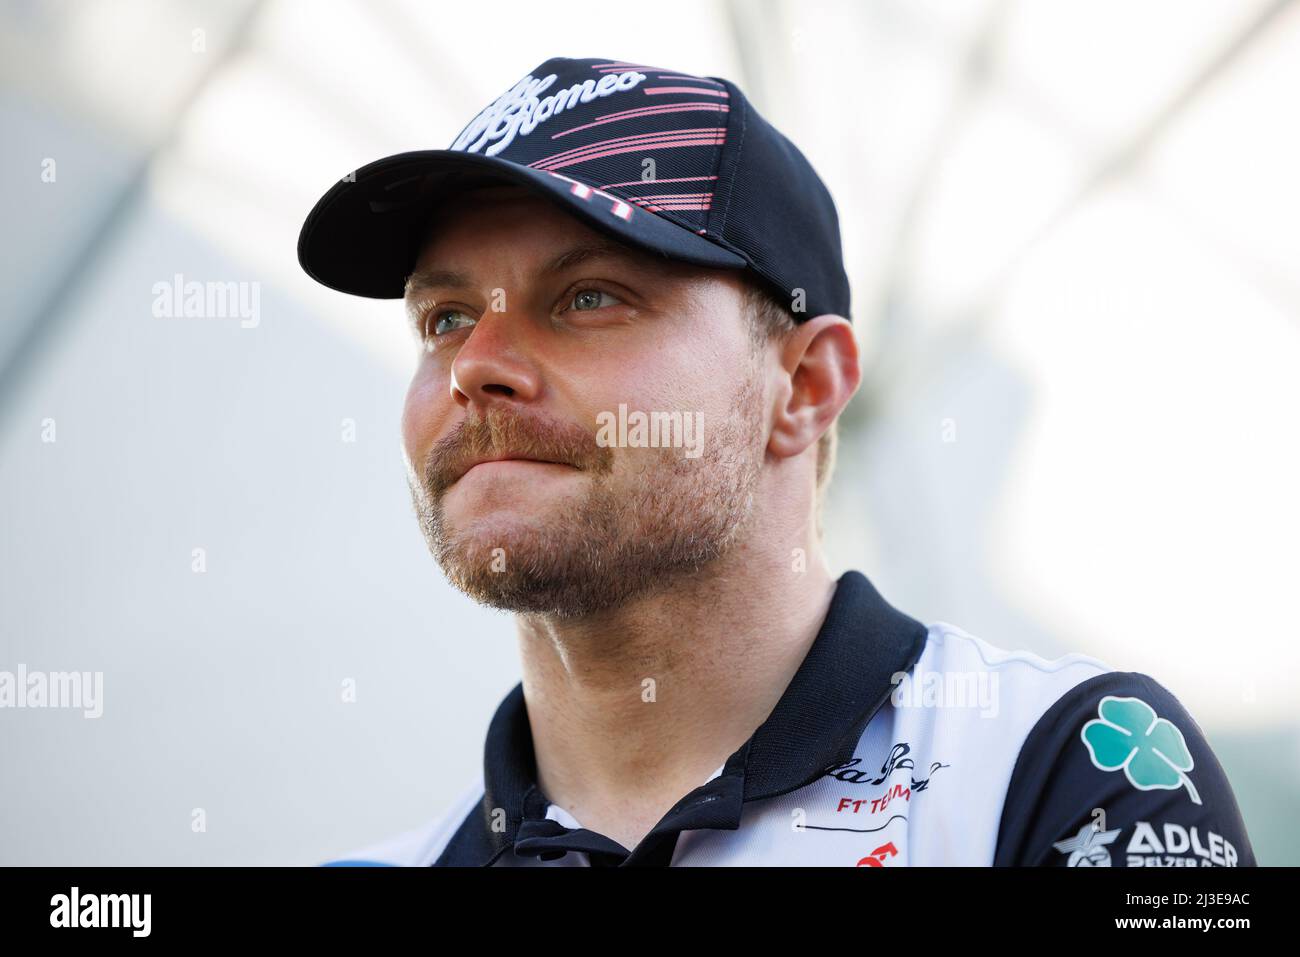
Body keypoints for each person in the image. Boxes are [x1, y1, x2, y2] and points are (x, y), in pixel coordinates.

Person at [299, 56, 1256, 867]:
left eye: (588, 297)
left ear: (802, 386)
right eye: (446, 318)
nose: (476, 366)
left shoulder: (1066, 772)